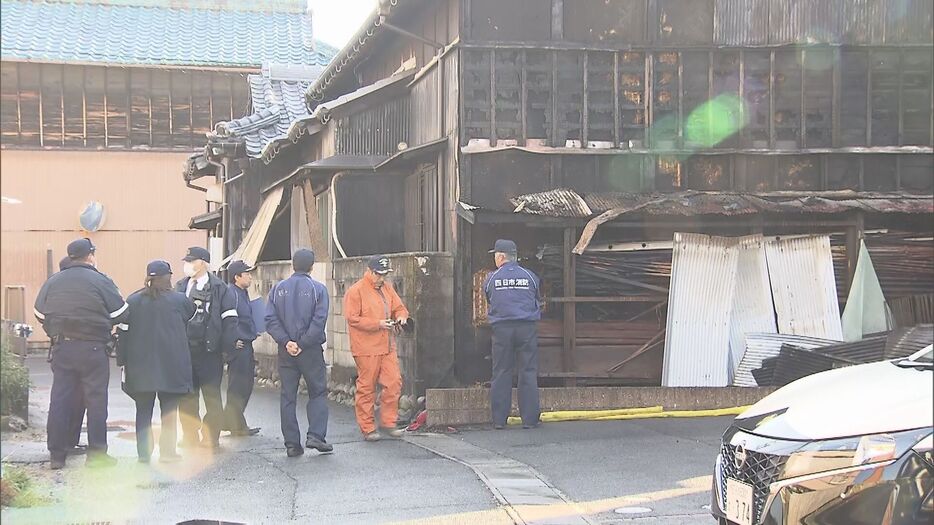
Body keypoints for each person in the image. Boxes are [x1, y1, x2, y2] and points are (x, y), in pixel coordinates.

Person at [34, 238, 128, 469]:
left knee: (59, 401)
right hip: (93, 349)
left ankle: (57, 455)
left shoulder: (53, 281)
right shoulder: (100, 280)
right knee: (96, 402)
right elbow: (121, 312)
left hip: (62, 348)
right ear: (90, 256)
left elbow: (39, 312)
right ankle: (97, 456)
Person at [117, 261, 195, 463]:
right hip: (172, 366)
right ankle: (168, 453)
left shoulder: (133, 301)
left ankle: (144, 454)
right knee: (169, 411)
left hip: (140, 368)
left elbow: (123, 334)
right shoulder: (179, 300)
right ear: (168, 277)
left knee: (143, 411)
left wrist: (122, 361)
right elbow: (191, 315)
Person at [264, 249, 331, 458]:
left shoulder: (277, 289)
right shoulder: (318, 289)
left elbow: (270, 320)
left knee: (288, 396)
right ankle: (316, 436)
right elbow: (319, 321)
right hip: (310, 350)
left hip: (286, 351)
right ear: (312, 266)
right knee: (317, 391)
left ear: (293, 265)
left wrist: (286, 342)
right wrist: (302, 343)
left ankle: (292, 444)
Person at [174, 247, 238, 450]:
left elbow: (230, 320)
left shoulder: (220, 288)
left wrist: (228, 349)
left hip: (210, 351)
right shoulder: (180, 286)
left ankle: (211, 436)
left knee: (212, 397)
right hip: (185, 352)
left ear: (203, 262)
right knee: (186, 397)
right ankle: (189, 435)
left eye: (192, 261)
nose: (188, 265)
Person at [344, 255, 410, 442]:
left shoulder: (387, 288)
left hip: (387, 345)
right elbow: (353, 318)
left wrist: (402, 317)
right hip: (366, 348)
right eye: (380, 275)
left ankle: (389, 422)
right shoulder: (356, 291)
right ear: (370, 272)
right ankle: (367, 427)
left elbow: (399, 307)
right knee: (367, 388)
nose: (383, 278)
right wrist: (379, 323)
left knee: (394, 382)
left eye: (385, 275)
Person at [483, 239, 542, 430]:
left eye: (495, 255)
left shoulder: (492, 278)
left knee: (501, 372)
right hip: (527, 329)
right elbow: (538, 298)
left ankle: (499, 420)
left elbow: (489, 298)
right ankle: (530, 420)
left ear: (501, 256)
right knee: (528, 372)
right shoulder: (530, 276)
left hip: (502, 330)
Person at [223, 260, 260, 437]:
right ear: (237, 277)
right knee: (238, 387)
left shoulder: (242, 293)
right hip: (238, 347)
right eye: (247, 273)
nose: (250, 276)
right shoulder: (231, 294)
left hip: (247, 343)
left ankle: (234, 421)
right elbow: (228, 319)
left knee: (245, 386)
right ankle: (234, 424)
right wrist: (232, 340)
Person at [58, 256, 87, 457]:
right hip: (86, 347)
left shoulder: (55, 288)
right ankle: (71, 442)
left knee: (61, 399)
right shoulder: (83, 287)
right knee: (79, 400)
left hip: (62, 347)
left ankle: (60, 446)